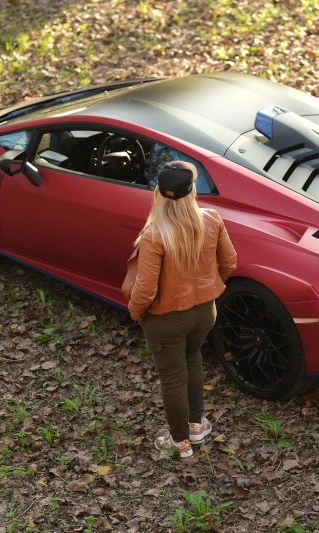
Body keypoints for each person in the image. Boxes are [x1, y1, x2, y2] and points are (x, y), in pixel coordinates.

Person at [123, 161, 237, 459]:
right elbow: (229, 263)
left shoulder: (154, 235)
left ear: (159, 193)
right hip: (203, 313)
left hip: (166, 319)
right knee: (193, 361)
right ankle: (196, 427)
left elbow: (145, 290)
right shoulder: (211, 219)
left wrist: (136, 313)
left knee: (173, 378)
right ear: (192, 192)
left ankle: (179, 442)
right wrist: (209, 289)